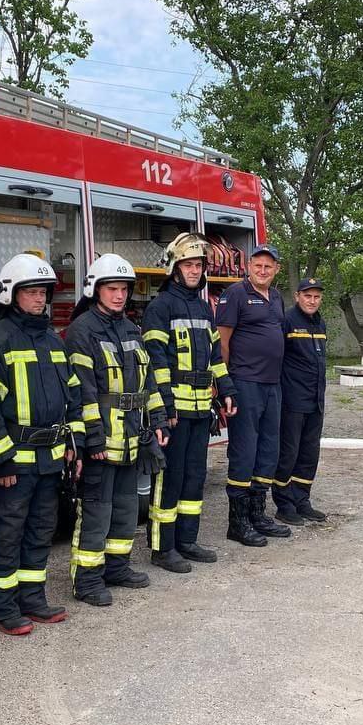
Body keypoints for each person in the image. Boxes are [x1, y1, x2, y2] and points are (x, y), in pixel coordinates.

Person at [0, 254, 84, 634]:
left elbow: (71, 394)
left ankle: (32, 597)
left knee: (40, 530)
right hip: (14, 460)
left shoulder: (53, 339)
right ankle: (1, 606)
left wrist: (73, 441)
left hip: (51, 456)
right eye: (32, 292)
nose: (40, 300)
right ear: (9, 294)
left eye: (43, 293)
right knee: (6, 532)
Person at [66, 254, 169, 606]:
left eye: (124, 289)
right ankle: (88, 580)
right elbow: (82, 391)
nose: (120, 295)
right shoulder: (82, 330)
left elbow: (148, 381)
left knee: (125, 508)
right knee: (96, 511)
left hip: (132, 438)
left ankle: (117, 568)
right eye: (113, 289)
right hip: (103, 441)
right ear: (95, 290)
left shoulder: (130, 328)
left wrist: (158, 421)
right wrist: (92, 438)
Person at [141, 233, 236, 572]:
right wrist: (166, 410)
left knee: (195, 476)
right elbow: (156, 363)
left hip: (200, 409)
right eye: (189, 265)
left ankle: (187, 540)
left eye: (199, 265)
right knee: (171, 477)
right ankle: (162, 548)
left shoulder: (202, 305)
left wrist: (226, 390)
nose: (195, 271)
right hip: (176, 412)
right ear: (175, 267)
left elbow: (214, 356)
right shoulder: (160, 307)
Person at [215, 243, 290, 546]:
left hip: (273, 384)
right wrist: (225, 384)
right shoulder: (235, 294)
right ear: (248, 267)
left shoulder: (276, 297)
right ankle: (238, 522)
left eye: (268, 266)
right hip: (245, 383)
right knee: (245, 451)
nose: (263, 270)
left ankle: (259, 514)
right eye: (257, 265)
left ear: (276, 270)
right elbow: (222, 342)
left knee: (268, 450)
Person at [272, 277, 328, 526]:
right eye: (307, 295)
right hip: (293, 401)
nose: (312, 300)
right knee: (288, 454)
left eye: (316, 296)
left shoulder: (320, 323)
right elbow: (276, 358)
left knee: (309, 454)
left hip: (315, 401)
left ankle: (302, 501)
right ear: (297, 296)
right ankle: (284, 504)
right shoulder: (287, 321)